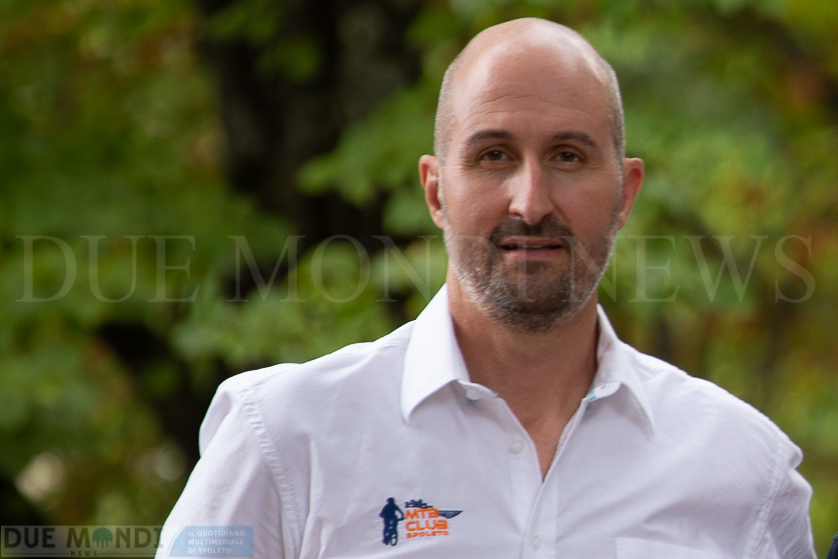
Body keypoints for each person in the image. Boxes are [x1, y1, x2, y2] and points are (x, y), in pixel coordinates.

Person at [157, 18, 816, 558]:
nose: (531, 201)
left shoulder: (743, 470)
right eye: (493, 155)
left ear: (625, 193)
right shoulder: (283, 440)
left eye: (568, 156)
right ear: (435, 191)